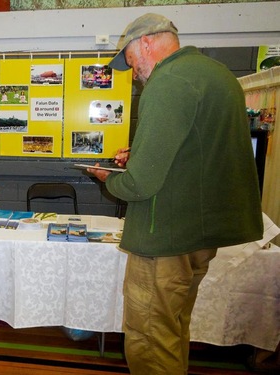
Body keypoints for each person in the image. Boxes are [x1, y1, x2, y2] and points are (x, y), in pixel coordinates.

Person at [87, 13, 263, 375]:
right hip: (200, 235)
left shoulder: (167, 82)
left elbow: (139, 184)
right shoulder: (219, 76)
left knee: (149, 337)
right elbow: (200, 151)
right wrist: (142, 155)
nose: (133, 71)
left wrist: (109, 178)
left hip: (164, 238)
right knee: (174, 327)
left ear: (146, 43)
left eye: (131, 60)